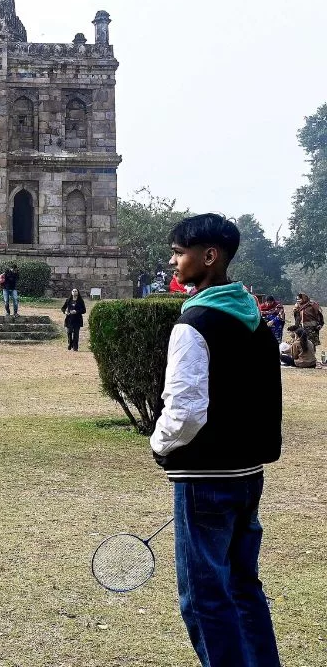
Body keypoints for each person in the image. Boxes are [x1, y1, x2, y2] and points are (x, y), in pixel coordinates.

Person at [150, 214, 281, 667]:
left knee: (205, 598)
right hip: (248, 475)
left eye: (179, 252)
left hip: (204, 478)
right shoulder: (254, 320)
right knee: (243, 587)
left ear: (209, 257)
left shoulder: (195, 323)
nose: (172, 261)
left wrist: (159, 445)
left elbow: (185, 411)